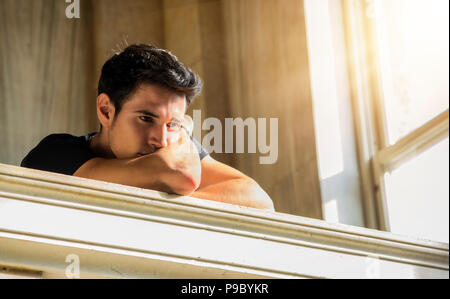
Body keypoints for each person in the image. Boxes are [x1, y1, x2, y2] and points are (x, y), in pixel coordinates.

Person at [21, 44, 274, 211]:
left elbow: (259, 199)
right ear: (106, 111)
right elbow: (178, 172)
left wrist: (168, 207)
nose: (161, 140)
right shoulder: (54, 155)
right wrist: (183, 130)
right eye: (145, 119)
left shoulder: (170, 144)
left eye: (172, 123)